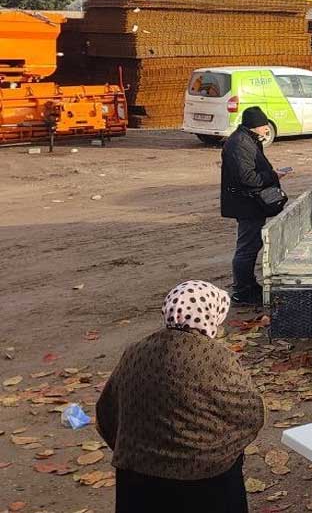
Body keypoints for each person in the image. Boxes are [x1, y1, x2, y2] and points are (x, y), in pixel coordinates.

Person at [97, 281, 264, 512]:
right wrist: (219, 452)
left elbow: (106, 412)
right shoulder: (218, 358)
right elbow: (250, 413)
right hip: (205, 482)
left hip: (136, 480)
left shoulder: (134, 351)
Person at [220, 106, 287, 305]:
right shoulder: (240, 144)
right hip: (245, 203)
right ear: (255, 126)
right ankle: (242, 291)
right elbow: (248, 177)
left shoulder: (247, 140)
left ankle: (249, 285)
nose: (267, 129)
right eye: (264, 126)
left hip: (249, 202)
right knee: (247, 247)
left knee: (251, 245)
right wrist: (273, 175)